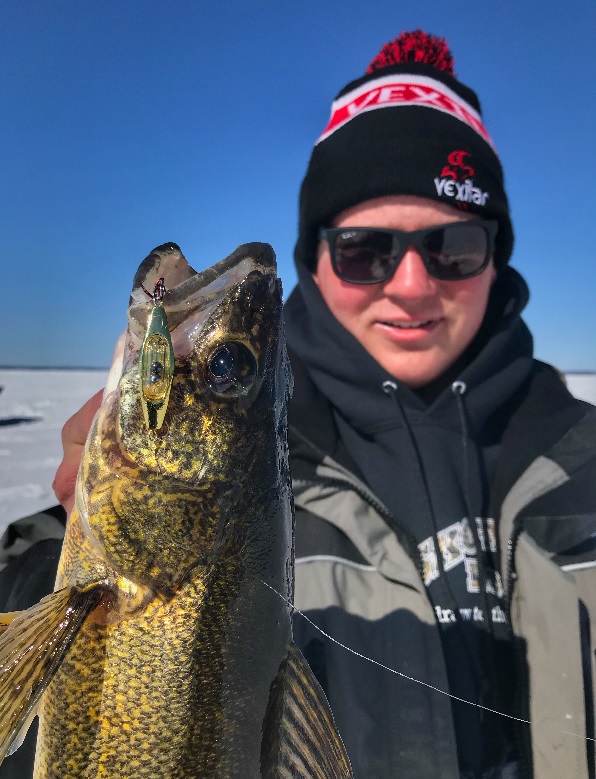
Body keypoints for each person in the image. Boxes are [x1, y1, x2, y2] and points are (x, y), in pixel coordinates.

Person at [1, 29, 595, 779]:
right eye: (364, 248)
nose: (411, 284)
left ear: (496, 253)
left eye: (453, 244)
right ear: (316, 256)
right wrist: (49, 571)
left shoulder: (587, 464)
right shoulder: (246, 471)